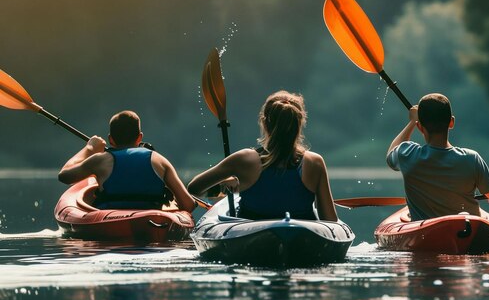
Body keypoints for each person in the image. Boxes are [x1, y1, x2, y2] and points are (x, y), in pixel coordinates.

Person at [187, 90, 338, 221]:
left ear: (264, 123)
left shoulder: (244, 159)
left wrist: (223, 183)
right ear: (299, 124)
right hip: (301, 242)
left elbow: (194, 188)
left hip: (254, 241)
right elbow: (330, 221)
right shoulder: (314, 162)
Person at [386, 92, 489, 221]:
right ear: (451, 122)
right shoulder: (471, 159)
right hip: (468, 231)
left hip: (425, 234)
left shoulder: (407, 154)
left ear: (420, 127)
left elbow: (391, 153)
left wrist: (412, 122)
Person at [58, 110, 196, 211]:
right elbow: (188, 204)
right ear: (139, 138)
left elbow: (64, 175)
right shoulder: (159, 160)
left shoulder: (100, 161)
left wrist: (89, 148)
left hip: (111, 223)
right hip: (152, 223)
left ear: (111, 139)